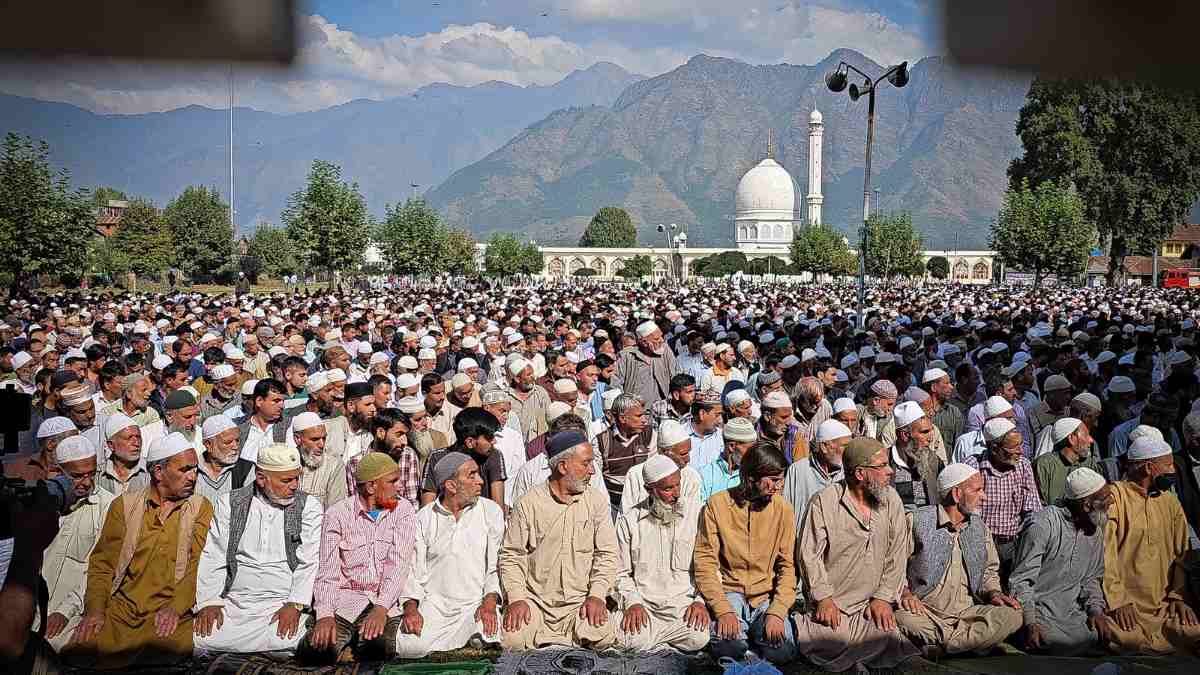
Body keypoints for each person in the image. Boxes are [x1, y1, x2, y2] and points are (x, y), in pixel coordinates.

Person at [65, 432, 213, 669]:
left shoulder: (199, 508)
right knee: (81, 649)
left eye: (195, 469)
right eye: (185, 469)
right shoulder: (124, 506)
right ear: (158, 472)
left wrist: (175, 608)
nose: (193, 477)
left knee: (164, 654)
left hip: (169, 613)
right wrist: (95, 610)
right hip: (122, 611)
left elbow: (198, 566)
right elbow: (102, 565)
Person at [793, 437, 919, 671]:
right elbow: (810, 555)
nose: (890, 471)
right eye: (881, 466)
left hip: (870, 605)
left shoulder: (891, 500)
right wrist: (823, 598)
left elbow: (897, 554)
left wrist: (882, 598)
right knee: (826, 639)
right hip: (834, 605)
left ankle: (855, 660)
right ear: (860, 473)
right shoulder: (824, 502)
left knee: (884, 632)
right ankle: (859, 660)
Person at [193, 444, 323, 656]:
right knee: (202, 638)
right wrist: (210, 602)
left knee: (294, 637)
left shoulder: (308, 506)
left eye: (296, 478)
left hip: (282, 602)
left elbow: (309, 560)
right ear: (262, 478)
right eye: (286, 480)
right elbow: (214, 554)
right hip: (236, 603)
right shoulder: (230, 503)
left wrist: (295, 604)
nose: (294, 486)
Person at [499, 431, 618, 650]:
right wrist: (516, 598)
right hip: (536, 602)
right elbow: (512, 555)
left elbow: (607, 554)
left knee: (603, 635)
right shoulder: (528, 503)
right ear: (563, 467)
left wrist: (597, 595)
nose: (592, 471)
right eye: (586, 464)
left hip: (580, 602)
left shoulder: (596, 502)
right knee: (512, 640)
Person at [894, 464, 1023, 658]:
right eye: (977, 490)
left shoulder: (979, 528)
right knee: (900, 618)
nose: (984, 496)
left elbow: (989, 571)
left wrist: (994, 593)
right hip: (927, 613)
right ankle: (971, 644)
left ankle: (946, 647)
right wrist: (905, 593)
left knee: (1013, 616)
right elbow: (895, 565)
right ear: (956, 494)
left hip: (968, 614)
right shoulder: (917, 521)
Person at [300, 452, 417, 662]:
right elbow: (328, 569)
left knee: (378, 649)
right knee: (316, 652)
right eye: (392, 482)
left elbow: (398, 564)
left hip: (384, 601)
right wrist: (325, 614)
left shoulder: (403, 511)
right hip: (346, 601)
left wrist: (381, 608)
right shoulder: (337, 514)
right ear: (371, 486)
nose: (398, 487)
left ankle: (355, 646)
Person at [693, 443, 797, 664]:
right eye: (773, 480)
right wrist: (723, 611)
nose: (779, 487)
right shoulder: (717, 505)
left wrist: (777, 611)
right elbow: (705, 564)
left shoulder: (783, 510)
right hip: (730, 592)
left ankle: (753, 632)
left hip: (765, 596)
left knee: (783, 651)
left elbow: (787, 567)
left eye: (781, 479)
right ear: (750, 478)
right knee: (728, 647)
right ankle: (742, 634)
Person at [394, 453, 505, 658]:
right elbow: (413, 570)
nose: (480, 481)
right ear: (451, 486)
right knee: (409, 646)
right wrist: (411, 609)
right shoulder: (424, 518)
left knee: (486, 634)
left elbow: (494, 567)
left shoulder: (491, 512)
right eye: (472, 475)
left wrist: (489, 603)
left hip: (475, 604)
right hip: (435, 606)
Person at [1101, 436, 1200, 655]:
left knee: (1193, 631)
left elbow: (1183, 555)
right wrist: (1118, 602)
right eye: (1168, 465)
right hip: (1128, 605)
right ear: (1148, 467)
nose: (1173, 470)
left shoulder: (1170, 501)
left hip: (1164, 606)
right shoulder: (1116, 497)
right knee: (1126, 637)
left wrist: (1178, 597)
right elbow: (1106, 556)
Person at [1009, 468, 1115, 655]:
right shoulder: (1042, 525)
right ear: (1086, 505)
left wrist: (1096, 611)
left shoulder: (1095, 530)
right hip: (1040, 611)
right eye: (1105, 499)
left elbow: (1091, 579)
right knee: (1049, 640)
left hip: (1073, 614)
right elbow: (1021, 581)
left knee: (1104, 635)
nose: (1111, 502)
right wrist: (1030, 621)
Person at [612, 454, 710, 652]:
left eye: (678, 485)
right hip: (645, 607)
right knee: (630, 641)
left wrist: (700, 602)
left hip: (683, 608)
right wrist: (633, 603)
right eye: (668, 489)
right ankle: (659, 643)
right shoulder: (630, 522)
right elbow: (620, 573)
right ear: (650, 490)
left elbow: (710, 565)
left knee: (698, 638)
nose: (676, 494)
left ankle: (656, 643)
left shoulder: (697, 514)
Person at [39, 435, 117, 651]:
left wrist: (65, 610)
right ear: (57, 471)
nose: (86, 482)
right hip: (30, 608)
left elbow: (99, 567)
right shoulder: (41, 500)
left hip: (74, 612)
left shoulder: (108, 506)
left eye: (91, 474)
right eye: (76, 476)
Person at [966, 419, 1042, 578]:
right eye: (1014, 447)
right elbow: (969, 513)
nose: (1020, 451)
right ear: (994, 448)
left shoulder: (1023, 465)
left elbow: (1032, 509)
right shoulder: (974, 466)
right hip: (982, 543)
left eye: (1021, 445)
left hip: (1012, 545)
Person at [782, 419, 849, 534]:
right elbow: (787, 511)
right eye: (844, 446)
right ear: (824, 447)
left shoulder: (848, 472)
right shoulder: (798, 470)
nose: (849, 452)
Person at [620, 419, 701, 514]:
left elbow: (693, 515)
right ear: (663, 452)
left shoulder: (691, 476)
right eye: (683, 454)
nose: (688, 459)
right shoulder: (635, 475)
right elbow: (627, 515)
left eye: (688, 452)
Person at [595, 392, 655, 510]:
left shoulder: (649, 434)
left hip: (644, 505)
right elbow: (597, 480)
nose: (644, 420)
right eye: (638, 416)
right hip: (614, 507)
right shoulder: (602, 441)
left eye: (644, 415)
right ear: (623, 418)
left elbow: (654, 469)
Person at [1032, 417, 1102, 505]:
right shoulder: (1044, 465)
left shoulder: (1088, 463)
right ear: (1072, 438)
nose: (1091, 440)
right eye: (1086, 435)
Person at [889, 400, 943, 512]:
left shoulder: (934, 461)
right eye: (924, 432)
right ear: (905, 435)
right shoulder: (884, 462)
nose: (930, 438)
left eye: (930, 431)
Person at [612, 320, 677, 408]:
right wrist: (627, 406)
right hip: (636, 411)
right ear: (643, 342)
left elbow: (675, 376)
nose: (662, 340)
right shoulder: (626, 356)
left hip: (663, 409)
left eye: (661, 336)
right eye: (657, 339)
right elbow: (615, 384)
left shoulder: (665, 350)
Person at [291, 412, 349, 509]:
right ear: (297, 439)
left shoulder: (334, 465)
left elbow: (335, 510)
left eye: (324, 438)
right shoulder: (285, 462)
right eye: (315, 439)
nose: (321, 444)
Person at [697, 416, 757, 502]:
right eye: (749, 449)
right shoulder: (705, 475)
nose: (753, 454)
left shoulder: (754, 475)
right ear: (732, 446)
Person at [95, 413, 150, 496]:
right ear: (111, 445)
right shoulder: (98, 474)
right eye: (129, 438)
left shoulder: (150, 471)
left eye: (138, 437)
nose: (136, 443)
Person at [195, 414, 241, 505]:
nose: (235, 447)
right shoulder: (192, 471)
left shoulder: (246, 470)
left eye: (237, 440)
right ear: (208, 444)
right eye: (228, 442)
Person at [858, 379, 898, 446]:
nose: (890, 409)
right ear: (876, 400)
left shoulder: (888, 417)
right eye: (889, 404)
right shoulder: (857, 412)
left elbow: (888, 445)